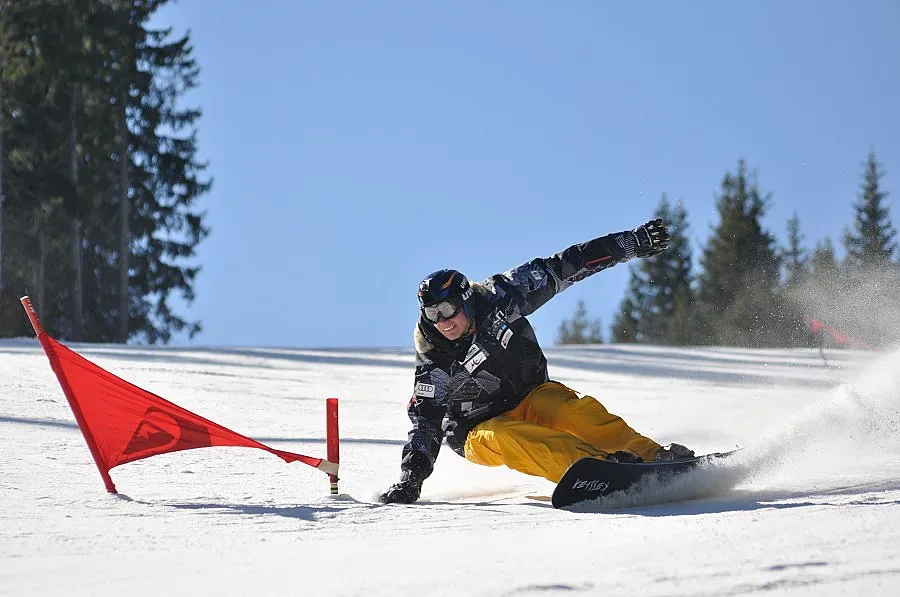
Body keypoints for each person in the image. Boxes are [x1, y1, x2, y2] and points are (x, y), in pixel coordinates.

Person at [380, 218, 694, 504]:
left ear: (466, 300)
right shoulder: (434, 359)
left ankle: (653, 457)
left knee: (572, 412)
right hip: (476, 430)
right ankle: (599, 470)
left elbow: (564, 266)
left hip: (531, 396)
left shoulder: (501, 295)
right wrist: (410, 480)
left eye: (447, 310)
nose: (442, 322)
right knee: (511, 436)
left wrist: (628, 244)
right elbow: (426, 424)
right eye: (432, 314)